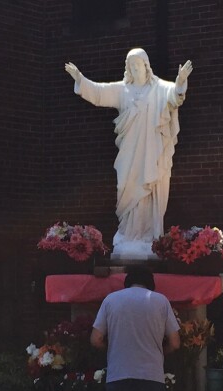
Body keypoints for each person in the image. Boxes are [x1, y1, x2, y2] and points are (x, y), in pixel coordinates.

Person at [65, 49, 194, 259]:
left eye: (138, 65)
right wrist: (80, 79)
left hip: (151, 151)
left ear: (146, 66)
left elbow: (174, 96)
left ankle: (147, 238)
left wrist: (180, 82)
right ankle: (128, 235)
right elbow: (99, 92)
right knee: (126, 188)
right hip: (129, 153)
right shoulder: (122, 90)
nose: (135, 69)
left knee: (148, 188)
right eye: (131, 66)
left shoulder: (159, 89)